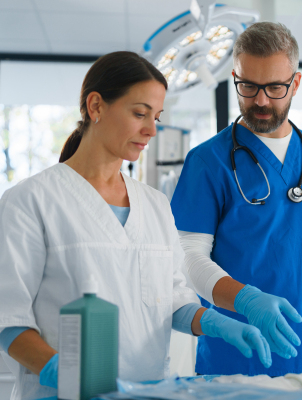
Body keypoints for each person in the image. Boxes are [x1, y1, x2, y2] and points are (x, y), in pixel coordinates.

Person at [0, 51, 270, 400]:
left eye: (156, 116)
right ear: (95, 106)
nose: (151, 130)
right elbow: (9, 318)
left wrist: (217, 323)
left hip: (148, 392)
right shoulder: (30, 201)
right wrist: (63, 374)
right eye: (140, 113)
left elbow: (172, 300)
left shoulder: (156, 205)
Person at [170, 22, 302, 377]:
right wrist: (245, 301)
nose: (261, 100)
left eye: (275, 87)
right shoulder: (208, 162)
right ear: (235, 77)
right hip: (238, 356)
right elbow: (189, 257)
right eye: (248, 86)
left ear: (295, 83)